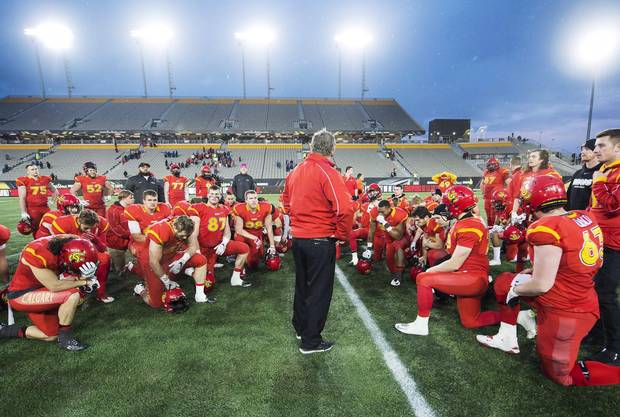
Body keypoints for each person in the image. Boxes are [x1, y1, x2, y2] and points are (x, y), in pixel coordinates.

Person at [478, 175, 620, 386]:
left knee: (558, 375)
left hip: (566, 309)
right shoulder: (583, 216)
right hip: (580, 294)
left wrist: (516, 291)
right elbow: (566, 259)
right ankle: (507, 337)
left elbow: (542, 284)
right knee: (504, 281)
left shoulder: (546, 228)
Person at [282, 128, 354, 354]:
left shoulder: (296, 170)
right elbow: (345, 209)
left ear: (312, 147)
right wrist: (341, 235)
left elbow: (285, 201)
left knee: (303, 286)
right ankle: (310, 341)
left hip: (300, 239)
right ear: (333, 149)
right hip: (320, 239)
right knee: (319, 291)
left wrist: (298, 222)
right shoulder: (327, 172)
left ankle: (301, 328)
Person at [395, 185, 500, 336]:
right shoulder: (466, 221)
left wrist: (430, 271)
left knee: (424, 278)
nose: (446, 208)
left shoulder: (469, 225)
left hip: (471, 277)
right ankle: (515, 317)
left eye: (449, 205)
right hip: (470, 275)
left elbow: (455, 263)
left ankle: (421, 325)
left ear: (456, 205)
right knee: (470, 321)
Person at [0, 236, 99, 351]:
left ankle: (4, 330)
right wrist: (85, 281)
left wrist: (84, 277)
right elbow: (54, 286)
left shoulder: (71, 245)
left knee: (51, 335)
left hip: (42, 289)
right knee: (72, 294)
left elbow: (62, 279)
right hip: (21, 295)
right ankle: (66, 339)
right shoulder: (38, 253)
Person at [589, 128, 620, 364]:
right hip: (601, 240)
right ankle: (598, 335)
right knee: (595, 291)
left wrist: (599, 184)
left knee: (605, 294)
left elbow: (613, 206)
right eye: (596, 146)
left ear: (617, 148)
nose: (596, 149)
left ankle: (614, 347)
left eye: (601, 146)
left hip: (615, 244)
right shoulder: (604, 169)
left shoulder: (612, 173)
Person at [134, 215, 209, 308]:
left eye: (187, 235)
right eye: (182, 235)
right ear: (175, 228)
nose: (185, 238)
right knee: (156, 303)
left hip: (171, 255)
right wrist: (166, 281)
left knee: (201, 259)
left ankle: (200, 295)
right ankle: (140, 289)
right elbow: (153, 262)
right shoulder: (161, 230)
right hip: (151, 260)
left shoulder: (186, 225)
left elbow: (193, 247)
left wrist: (182, 260)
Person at [189, 186, 250, 287]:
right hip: (203, 249)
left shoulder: (224, 209)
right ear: (208, 195)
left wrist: (224, 243)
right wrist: (197, 252)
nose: (214, 196)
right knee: (208, 284)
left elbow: (227, 232)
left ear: (220, 196)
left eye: (217, 194)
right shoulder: (198, 208)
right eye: (212, 194)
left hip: (218, 246)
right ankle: (189, 270)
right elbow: (193, 235)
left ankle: (235, 279)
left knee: (244, 248)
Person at [50, 209, 113, 303]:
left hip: (90, 253)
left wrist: (96, 240)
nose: (89, 230)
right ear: (79, 221)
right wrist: (78, 240)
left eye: (92, 228)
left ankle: (100, 292)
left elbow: (103, 249)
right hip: (67, 254)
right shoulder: (63, 223)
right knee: (61, 262)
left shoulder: (102, 223)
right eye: (86, 228)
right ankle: (76, 291)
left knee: (105, 258)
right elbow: (56, 247)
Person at [364, 200, 409, 286]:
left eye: (382, 212)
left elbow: (398, 236)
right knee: (390, 264)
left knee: (398, 246)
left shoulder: (399, 214)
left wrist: (385, 223)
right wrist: (369, 248)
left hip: (402, 238)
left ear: (389, 209)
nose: (380, 214)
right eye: (379, 211)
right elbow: (372, 230)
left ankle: (399, 277)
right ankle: (401, 264)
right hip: (388, 240)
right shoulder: (374, 212)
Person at [232, 190, 275, 271]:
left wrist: (272, 246)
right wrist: (254, 238)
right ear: (246, 201)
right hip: (244, 234)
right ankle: (238, 257)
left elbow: (269, 228)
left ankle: (249, 256)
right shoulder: (240, 208)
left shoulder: (265, 207)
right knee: (239, 239)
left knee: (253, 263)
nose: (254, 200)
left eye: (255, 198)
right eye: (251, 198)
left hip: (257, 233)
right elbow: (239, 230)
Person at [17, 164, 58, 237]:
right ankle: (38, 244)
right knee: (36, 228)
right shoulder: (24, 180)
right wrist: (23, 212)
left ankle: (50, 242)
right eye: (32, 169)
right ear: (27, 172)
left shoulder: (45, 179)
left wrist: (52, 201)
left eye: (36, 169)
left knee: (51, 225)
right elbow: (22, 197)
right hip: (32, 209)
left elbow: (55, 191)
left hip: (45, 207)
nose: (35, 171)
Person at [567, 139, 603, 210]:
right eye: (582, 149)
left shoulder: (602, 173)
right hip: (573, 217)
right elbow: (568, 196)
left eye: (587, 149)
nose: (582, 152)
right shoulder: (577, 173)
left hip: (591, 219)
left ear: (596, 151)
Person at [106, 190, 135, 275]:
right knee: (119, 268)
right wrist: (132, 234)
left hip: (126, 240)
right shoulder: (113, 210)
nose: (134, 199)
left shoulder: (131, 208)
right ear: (123, 198)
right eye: (131, 197)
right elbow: (116, 228)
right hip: (115, 242)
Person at [481, 158, 509, 226]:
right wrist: (483, 192)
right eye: (489, 165)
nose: (490, 166)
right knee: (489, 217)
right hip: (487, 198)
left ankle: (495, 232)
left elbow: (509, 183)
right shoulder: (486, 172)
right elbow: (482, 183)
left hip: (497, 199)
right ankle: (490, 230)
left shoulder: (502, 171)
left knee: (495, 217)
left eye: (491, 165)